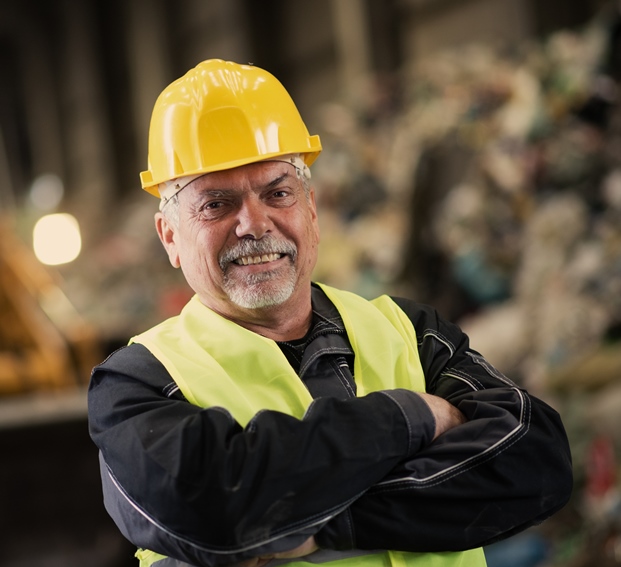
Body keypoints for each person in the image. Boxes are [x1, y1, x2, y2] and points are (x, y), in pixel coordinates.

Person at [88, 59, 572, 567]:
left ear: (311, 209)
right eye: (216, 204)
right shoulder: (136, 382)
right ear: (170, 236)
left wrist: (326, 528)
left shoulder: (409, 331)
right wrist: (411, 417)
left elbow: (534, 459)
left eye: (277, 192)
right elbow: (209, 502)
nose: (254, 223)